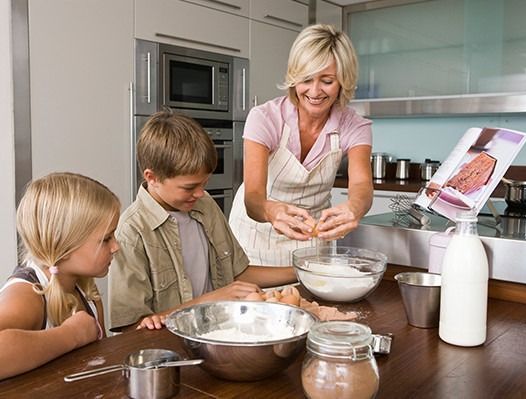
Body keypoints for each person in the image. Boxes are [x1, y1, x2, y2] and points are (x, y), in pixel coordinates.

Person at [108, 109, 296, 332]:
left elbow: (237, 273)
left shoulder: (204, 205)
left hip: (223, 332)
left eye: (204, 184)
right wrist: (212, 299)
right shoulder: (131, 233)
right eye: (189, 187)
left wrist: (301, 271)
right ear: (152, 178)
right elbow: (131, 328)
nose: (199, 193)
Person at [229, 24, 374, 266]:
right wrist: (270, 211)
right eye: (306, 79)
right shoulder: (265, 118)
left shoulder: (354, 125)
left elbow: (361, 185)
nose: (315, 91)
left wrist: (354, 208)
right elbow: (253, 196)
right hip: (255, 239)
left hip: (312, 243)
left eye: (327, 81)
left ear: (342, 81)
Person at [0, 172, 120, 380]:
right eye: (107, 238)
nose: (116, 246)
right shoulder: (27, 294)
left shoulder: (86, 289)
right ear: (63, 244)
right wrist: (72, 335)